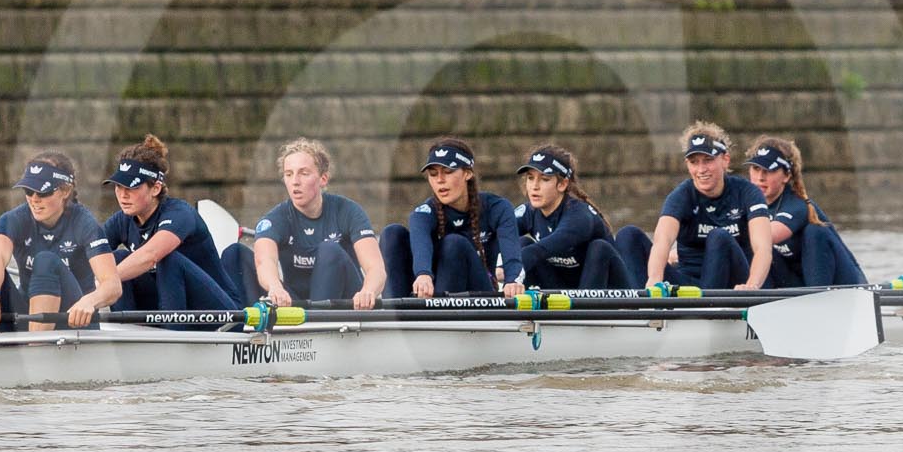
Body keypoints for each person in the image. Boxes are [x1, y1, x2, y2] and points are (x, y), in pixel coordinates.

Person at [0, 152, 121, 333]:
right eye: (29, 191)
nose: (34, 199)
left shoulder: (84, 223)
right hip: (30, 317)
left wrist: (89, 301)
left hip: (75, 321)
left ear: (65, 191)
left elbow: (112, 285)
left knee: (45, 260)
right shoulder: (14, 219)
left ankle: (36, 349)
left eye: (43, 192)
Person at [617, 123, 774, 291]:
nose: (701, 169)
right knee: (628, 235)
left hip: (735, 283)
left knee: (719, 236)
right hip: (689, 283)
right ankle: (642, 305)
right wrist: (655, 280)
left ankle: (707, 308)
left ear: (725, 160)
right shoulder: (681, 195)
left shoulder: (747, 192)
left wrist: (752, 286)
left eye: (708, 160)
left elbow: (763, 247)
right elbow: (662, 240)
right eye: (694, 162)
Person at [233, 138, 386, 309]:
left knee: (329, 249)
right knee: (236, 254)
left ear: (323, 179)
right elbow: (264, 261)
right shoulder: (274, 219)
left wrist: (369, 291)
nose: (295, 181)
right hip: (299, 303)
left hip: (345, 303)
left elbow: (376, 269)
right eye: (288, 174)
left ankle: (318, 322)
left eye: (304, 173)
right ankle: (244, 327)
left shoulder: (348, 211)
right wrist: (275, 287)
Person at [101, 136, 240, 316]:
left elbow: (150, 255)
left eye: (131, 187)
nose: (123, 195)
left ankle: (172, 333)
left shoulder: (180, 213)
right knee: (115, 258)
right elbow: (88, 255)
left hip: (221, 313)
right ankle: (126, 331)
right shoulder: (122, 220)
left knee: (167, 259)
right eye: (118, 186)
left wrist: (105, 283)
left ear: (155, 189)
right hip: (170, 304)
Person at [378, 138, 525, 298]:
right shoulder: (424, 213)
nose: (440, 180)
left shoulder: (498, 207)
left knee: (454, 243)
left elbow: (512, 256)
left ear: (468, 173)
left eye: (448, 172)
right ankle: (394, 315)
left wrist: (513, 282)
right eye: (433, 174)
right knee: (392, 233)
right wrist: (423, 274)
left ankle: (438, 318)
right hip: (432, 293)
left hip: (479, 291)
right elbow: (421, 245)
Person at [743, 136, 869, 288]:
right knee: (762, 254)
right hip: (800, 282)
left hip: (845, 284)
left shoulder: (797, 204)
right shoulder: (749, 205)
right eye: (756, 169)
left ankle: (816, 301)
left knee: (814, 231)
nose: (760, 177)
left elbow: (768, 235)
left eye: (769, 170)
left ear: (787, 175)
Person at [513, 144, 636, 291]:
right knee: (522, 243)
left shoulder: (579, 215)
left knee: (599, 248)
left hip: (603, 290)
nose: (534, 186)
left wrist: (508, 267)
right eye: (530, 178)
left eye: (544, 179)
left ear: (562, 184)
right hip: (564, 290)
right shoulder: (528, 212)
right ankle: (536, 312)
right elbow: (494, 234)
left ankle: (584, 313)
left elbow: (538, 251)